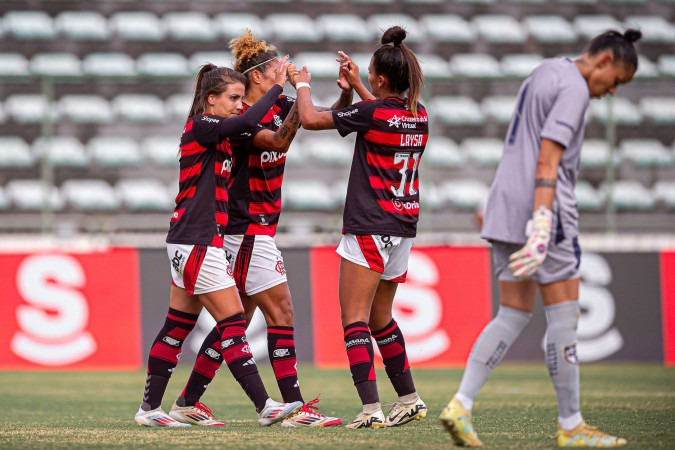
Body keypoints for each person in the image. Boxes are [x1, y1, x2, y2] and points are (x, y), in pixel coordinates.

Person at [439, 29, 642, 447]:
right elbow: (548, 156)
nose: (611, 91)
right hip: (542, 208)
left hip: (504, 204)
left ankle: (461, 403)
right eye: (616, 81)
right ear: (603, 61)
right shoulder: (575, 89)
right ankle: (571, 426)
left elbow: (521, 142)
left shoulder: (544, 71)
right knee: (565, 315)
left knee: (512, 312)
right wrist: (544, 218)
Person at [175, 30, 350, 428]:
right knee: (281, 311)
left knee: (235, 322)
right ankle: (295, 408)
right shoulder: (239, 118)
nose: (283, 71)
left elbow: (317, 118)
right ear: (258, 75)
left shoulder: (278, 103)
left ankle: (188, 400)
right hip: (245, 227)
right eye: (277, 67)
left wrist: (344, 94)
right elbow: (278, 141)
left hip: (259, 228)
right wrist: (297, 88)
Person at [134, 60, 304, 428]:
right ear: (210, 99)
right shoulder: (203, 125)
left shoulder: (220, 132)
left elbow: (265, 135)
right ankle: (265, 407)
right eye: (232, 98)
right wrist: (276, 88)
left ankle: (149, 409)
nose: (238, 105)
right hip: (197, 240)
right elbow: (244, 123)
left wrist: (297, 99)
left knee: (178, 326)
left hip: (190, 240)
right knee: (233, 321)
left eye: (241, 98)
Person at [290, 26, 428, 429]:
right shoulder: (417, 115)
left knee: (354, 319)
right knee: (380, 318)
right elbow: (381, 115)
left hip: (369, 225)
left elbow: (312, 118)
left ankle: (371, 410)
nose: (366, 75)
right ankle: (409, 398)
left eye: (369, 72)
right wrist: (356, 87)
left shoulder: (374, 113)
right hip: (401, 228)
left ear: (381, 79)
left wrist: (301, 85)